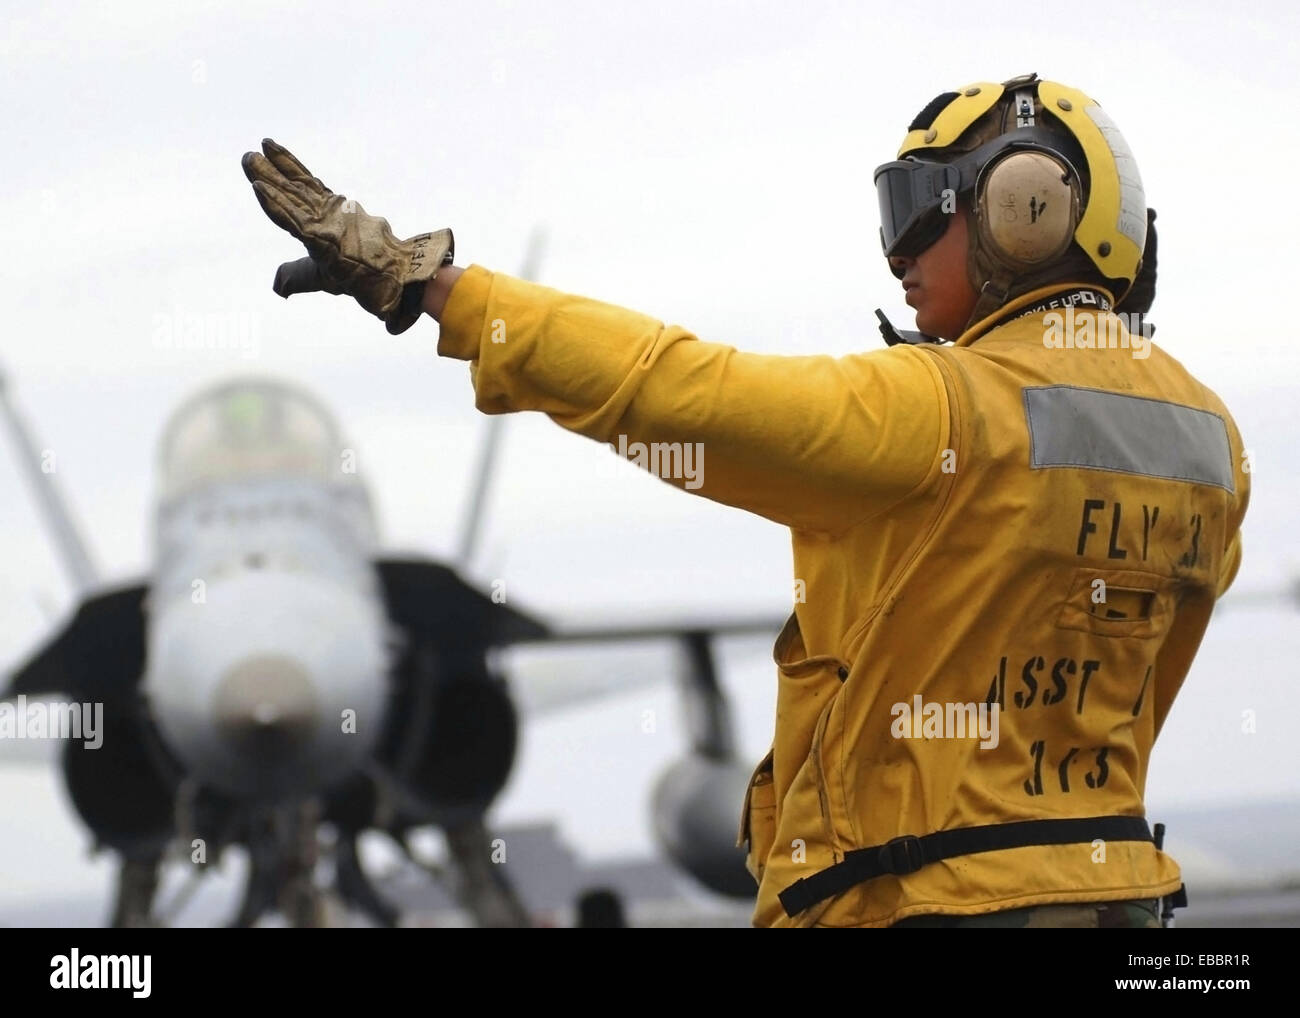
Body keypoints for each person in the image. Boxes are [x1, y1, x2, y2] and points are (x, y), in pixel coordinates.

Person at [242, 72, 1250, 928]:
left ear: (1023, 210)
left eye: (917, 207)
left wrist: (438, 291)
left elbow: (682, 391)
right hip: (1119, 896)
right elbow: (1127, 693)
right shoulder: (1212, 445)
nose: (896, 253)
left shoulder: (939, 411)